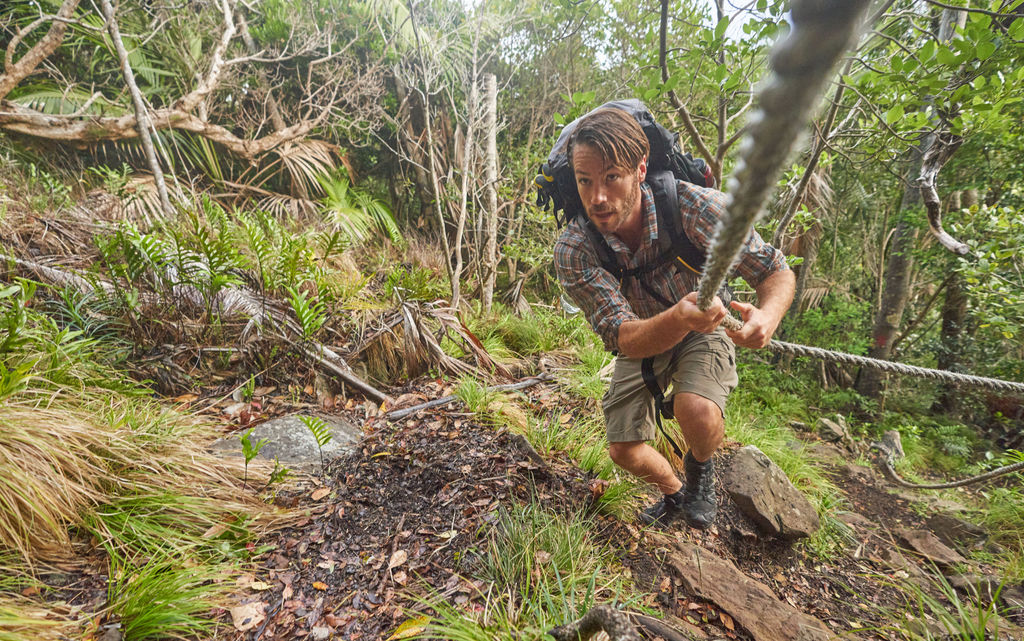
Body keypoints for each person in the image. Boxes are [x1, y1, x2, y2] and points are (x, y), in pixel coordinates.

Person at [554, 107, 795, 529]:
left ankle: (700, 468)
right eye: (585, 181)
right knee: (624, 449)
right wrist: (677, 318)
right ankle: (676, 492)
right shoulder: (576, 249)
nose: (598, 198)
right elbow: (623, 336)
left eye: (612, 177)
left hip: (707, 323)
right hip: (644, 331)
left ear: (640, 169)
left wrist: (768, 316)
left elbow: (774, 269)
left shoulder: (696, 208)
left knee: (696, 410)